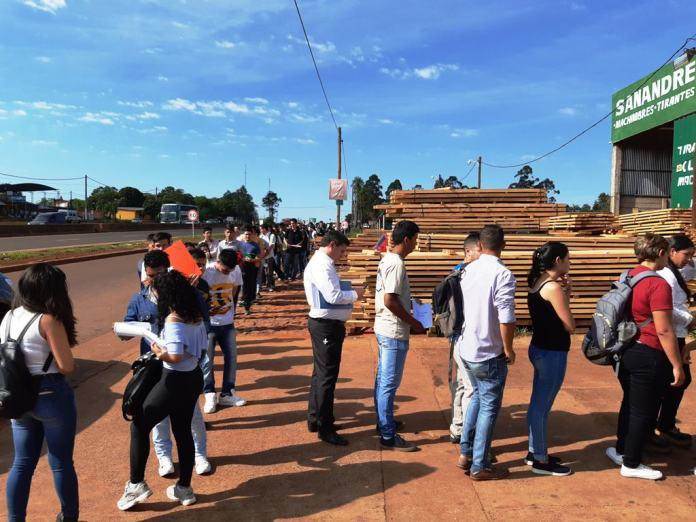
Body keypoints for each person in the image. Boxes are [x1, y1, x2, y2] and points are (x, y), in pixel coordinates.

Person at [118, 271, 206, 510]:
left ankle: (137, 484)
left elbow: (175, 356)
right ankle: (184, 488)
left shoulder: (174, 319)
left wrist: (159, 351)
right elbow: (194, 349)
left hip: (174, 380)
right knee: (182, 430)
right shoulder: (195, 315)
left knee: (139, 424)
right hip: (192, 377)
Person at [1, 263, 79, 522]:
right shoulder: (48, 319)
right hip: (50, 394)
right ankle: (68, 517)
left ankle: (14, 519)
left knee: (22, 463)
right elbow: (67, 366)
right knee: (60, 462)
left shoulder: (8, 317)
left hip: (18, 395)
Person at [605, 233, 685, 480]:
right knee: (644, 410)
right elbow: (663, 328)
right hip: (649, 351)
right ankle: (631, 463)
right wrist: (677, 364)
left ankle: (621, 450)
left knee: (630, 403)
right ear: (661, 253)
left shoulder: (628, 275)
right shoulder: (657, 283)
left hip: (626, 347)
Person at [455, 224, 516, 480]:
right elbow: (507, 318)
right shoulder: (503, 274)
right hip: (488, 350)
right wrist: (509, 349)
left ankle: (465, 452)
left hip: (467, 347)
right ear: (503, 245)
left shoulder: (467, 270)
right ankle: (480, 465)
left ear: (479, 245)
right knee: (489, 406)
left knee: (477, 398)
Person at [304, 230, 363, 445]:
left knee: (320, 374)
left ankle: (316, 418)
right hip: (326, 326)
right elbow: (333, 296)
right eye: (342, 250)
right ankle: (324, 427)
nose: (342, 255)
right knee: (327, 377)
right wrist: (356, 294)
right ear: (332, 245)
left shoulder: (323, 262)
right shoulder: (322, 264)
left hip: (327, 325)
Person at [373, 220, 424, 452]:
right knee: (389, 383)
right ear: (407, 239)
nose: (416, 244)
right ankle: (387, 435)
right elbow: (390, 300)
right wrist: (414, 322)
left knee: (383, 379)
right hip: (393, 329)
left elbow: (394, 297)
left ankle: (384, 423)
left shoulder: (388, 259)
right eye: (415, 239)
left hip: (385, 327)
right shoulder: (396, 264)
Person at [525, 241, 574, 476]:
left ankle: (535, 451)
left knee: (538, 403)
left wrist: (567, 292)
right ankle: (541, 461)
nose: (570, 262)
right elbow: (570, 325)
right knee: (541, 407)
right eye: (568, 258)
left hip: (540, 348)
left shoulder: (538, 281)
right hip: (552, 351)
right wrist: (565, 294)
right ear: (558, 261)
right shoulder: (553, 287)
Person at [655, 234, 694, 448]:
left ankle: (664, 423)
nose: (689, 259)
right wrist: (690, 320)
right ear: (671, 252)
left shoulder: (675, 272)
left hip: (678, 333)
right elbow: (668, 306)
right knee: (676, 379)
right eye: (686, 254)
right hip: (673, 333)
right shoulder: (667, 276)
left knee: (680, 380)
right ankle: (663, 424)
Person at [201, 249, 246, 412]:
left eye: (231, 270)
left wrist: (231, 312)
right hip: (209, 324)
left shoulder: (235, 270)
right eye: (225, 269)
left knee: (232, 358)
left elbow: (235, 290)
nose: (228, 272)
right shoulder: (206, 272)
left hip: (227, 323)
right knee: (207, 361)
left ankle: (227, 393)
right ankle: (209, 393)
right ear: (218, 262)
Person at [449, 233, 481, 444]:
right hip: (469, 338)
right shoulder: (470, 274)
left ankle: (458, 427)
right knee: (472, 388)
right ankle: (468, 438)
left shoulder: (457, 271)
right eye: (481, 250)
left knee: (462, 384)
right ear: (469, 251)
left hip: (457, 337)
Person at [238, 226, 263, 315]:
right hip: (241, 267)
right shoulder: (239, 244)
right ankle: (245, 303)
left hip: (252, 268)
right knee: (244, 286)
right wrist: (241, 259)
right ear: (243, 235)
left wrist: (253, 260)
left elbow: (259, 257)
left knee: (251, 286)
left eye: (249, 234)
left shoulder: (255, 245)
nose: (247, 236)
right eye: (246, 234)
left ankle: (248, 304)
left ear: (252, 235)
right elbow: (236, 255)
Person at [260, 224, 277, 292]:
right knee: (263, 271)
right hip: (262, 257)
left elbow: (271, 246)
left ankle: (270, 285)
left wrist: (265, 254)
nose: (260, 230)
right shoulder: (261, 236)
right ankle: (266, 284)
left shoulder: (271, 235)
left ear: (265, 229)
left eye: (261, 229)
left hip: (269, 257)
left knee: (269, 272)